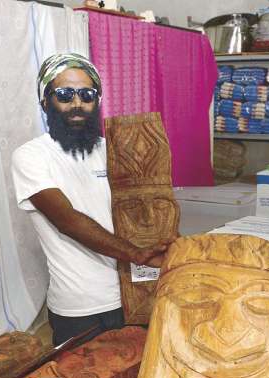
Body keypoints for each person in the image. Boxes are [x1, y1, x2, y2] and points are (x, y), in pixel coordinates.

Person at [12, 53, 168, 345]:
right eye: (64, 94)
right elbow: (67, 220)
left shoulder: (114, 150)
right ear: (45, 102)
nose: (77, 104)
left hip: (135, 295)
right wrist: (136, 254)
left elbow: (147, 206)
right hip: (79, 307)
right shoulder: (31, 156)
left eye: (87, 94)